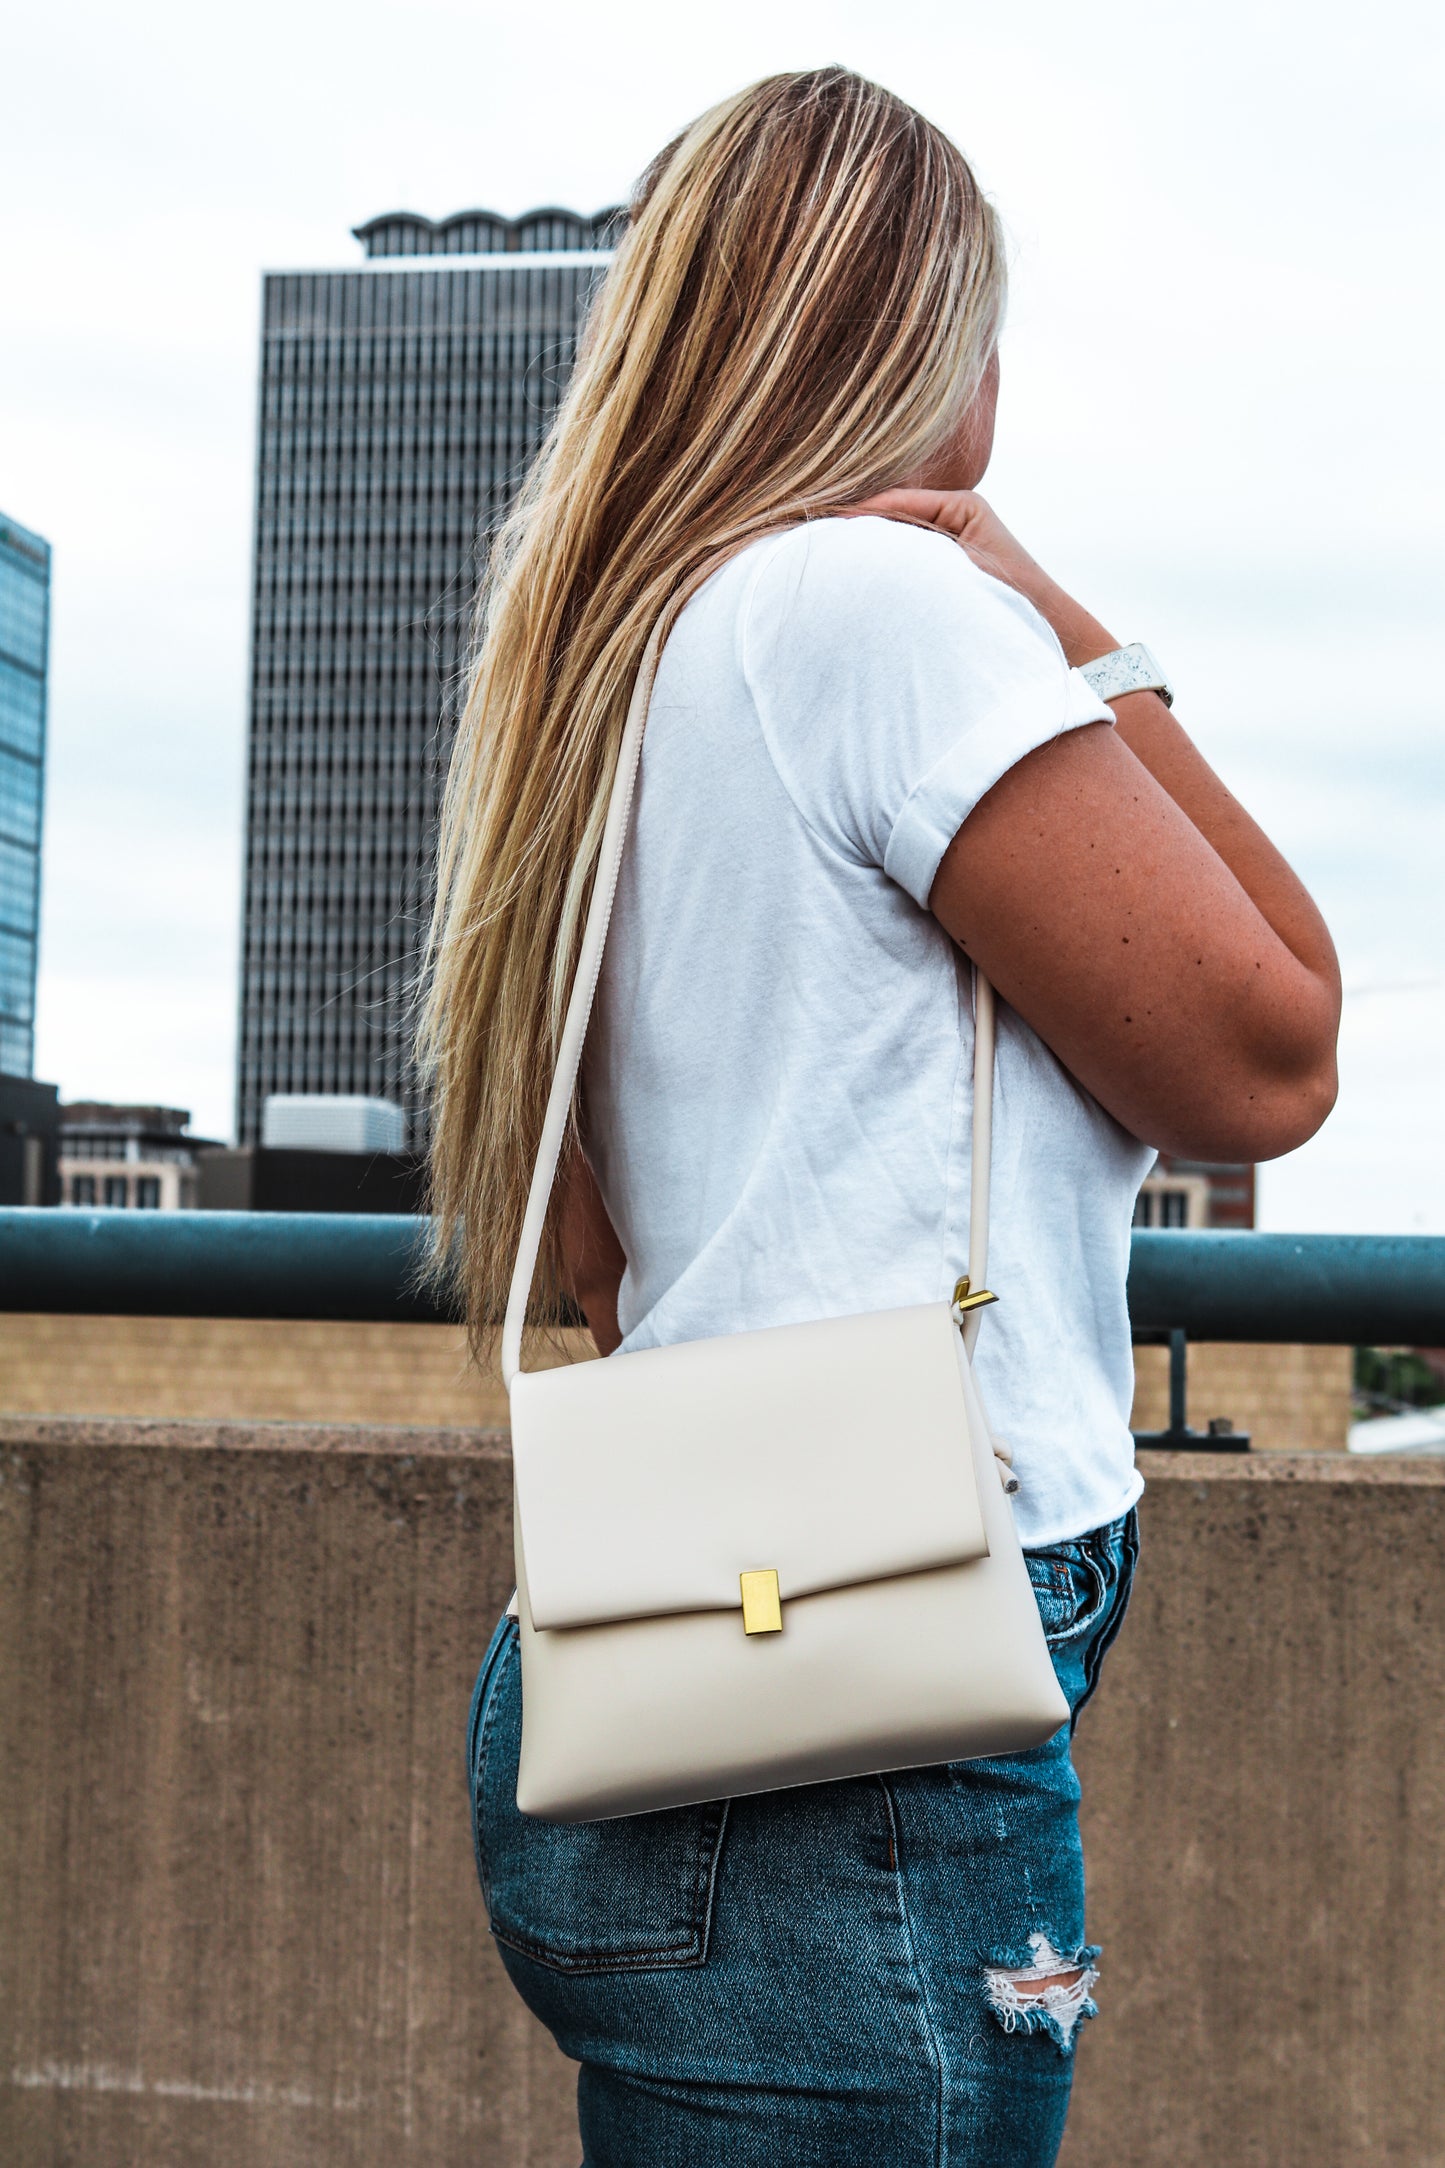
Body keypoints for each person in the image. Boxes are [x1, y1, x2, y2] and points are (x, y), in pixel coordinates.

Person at [420, 66, 1340, 2168]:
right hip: (857, 1739)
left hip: (673, 1670)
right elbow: (1272, 1056)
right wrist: (1073, 624)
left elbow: (594, 1263)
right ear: (941, 348)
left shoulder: (610, 652)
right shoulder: (877, 607)